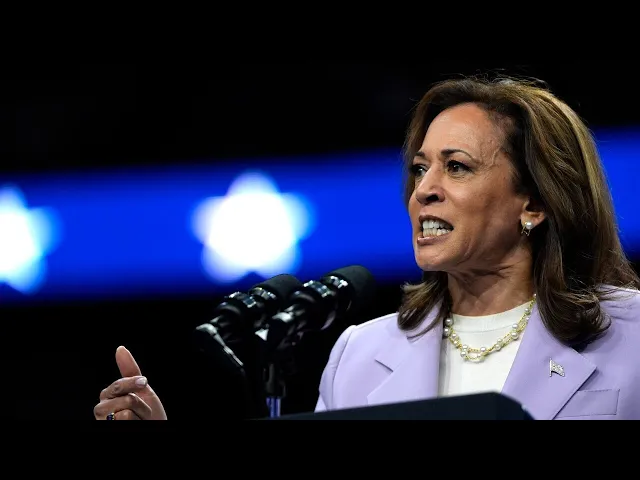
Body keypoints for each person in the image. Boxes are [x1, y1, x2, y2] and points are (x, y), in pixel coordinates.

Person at [93, 75, 640, 421]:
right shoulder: (360, 354)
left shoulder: (630, 337)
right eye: (420, 168)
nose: (424, 189)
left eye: (456, 167)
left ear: (534, 203)